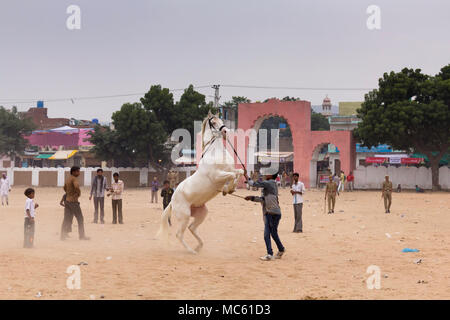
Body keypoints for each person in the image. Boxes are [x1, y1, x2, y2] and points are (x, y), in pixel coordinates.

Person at [244, 169, 286, 261]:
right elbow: (262, 199)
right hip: (277, 213)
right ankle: (281, 249)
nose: (265, 174)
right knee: (274, 233)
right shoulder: (271, 186)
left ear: (271, 176)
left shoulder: (269, 183)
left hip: (270, 213)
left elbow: (254, 184)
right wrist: (251, 198)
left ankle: (269, 254)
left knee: (267, 234)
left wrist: (246, 176)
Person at [62, 166, 89, 240]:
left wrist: (69, 194)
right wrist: (78, 193)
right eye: (78, 171)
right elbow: (76, 186)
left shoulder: (68, 178)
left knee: (66, 219)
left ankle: (63, 235)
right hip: (73, 202)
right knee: (80, 218)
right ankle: (82, 236)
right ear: (73, 172)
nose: (79, 173)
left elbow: (64, 188)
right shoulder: (74, 178)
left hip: (67, 201)